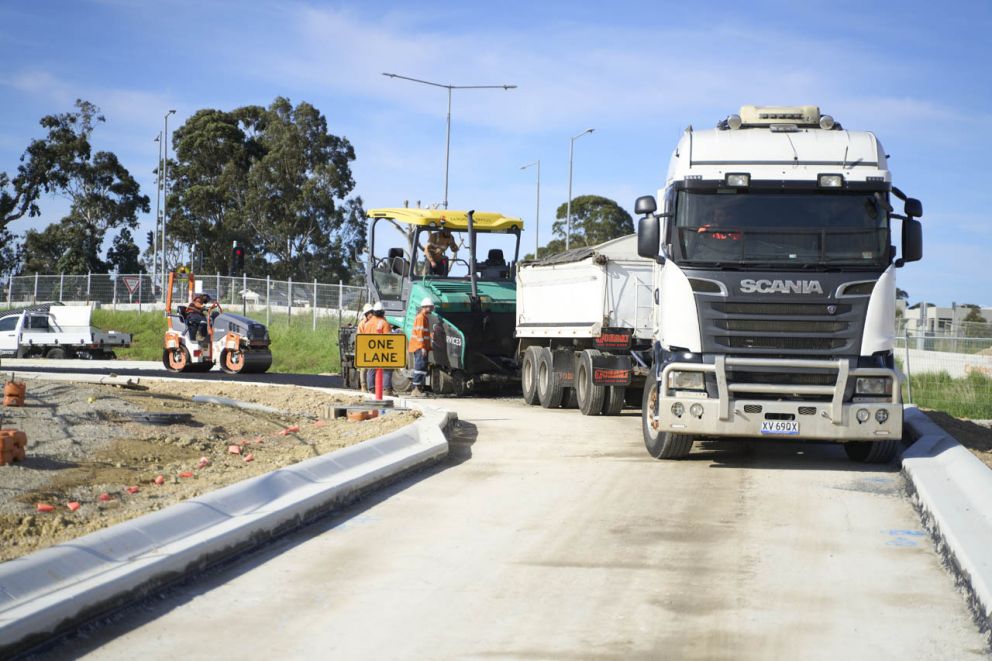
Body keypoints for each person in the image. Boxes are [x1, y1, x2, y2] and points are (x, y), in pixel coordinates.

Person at [365, 301, 394, 397]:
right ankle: (386, 389)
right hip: (382, 351)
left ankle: (371, 389)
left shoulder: (368, 323)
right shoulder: (384, 323)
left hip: (370, 350)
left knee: (371, 369)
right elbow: (388, 339)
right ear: (382, 312)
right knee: (387, 369)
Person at [408, 297, 434, 397]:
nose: (432, 309)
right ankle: (415, 389)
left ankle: (418, 388)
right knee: (419, 366)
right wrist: (423, 347)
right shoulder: (421, 318)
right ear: (425, 307)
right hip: (419, 347)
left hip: (421, 346)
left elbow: (425, 333)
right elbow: (420, 334)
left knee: (422, 367)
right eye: (431, 307)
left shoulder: (424, 318)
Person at [356, 303, 374, 392]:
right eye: (370, 312)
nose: (371, 314)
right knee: (363, 369)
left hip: (373, 348)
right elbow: (359, 337)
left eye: (372, 312)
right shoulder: (362, 324)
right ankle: (363, 386)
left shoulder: (374, 322)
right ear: (366, 314)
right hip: (365, 348)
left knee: (372, 368)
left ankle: (372, 386)